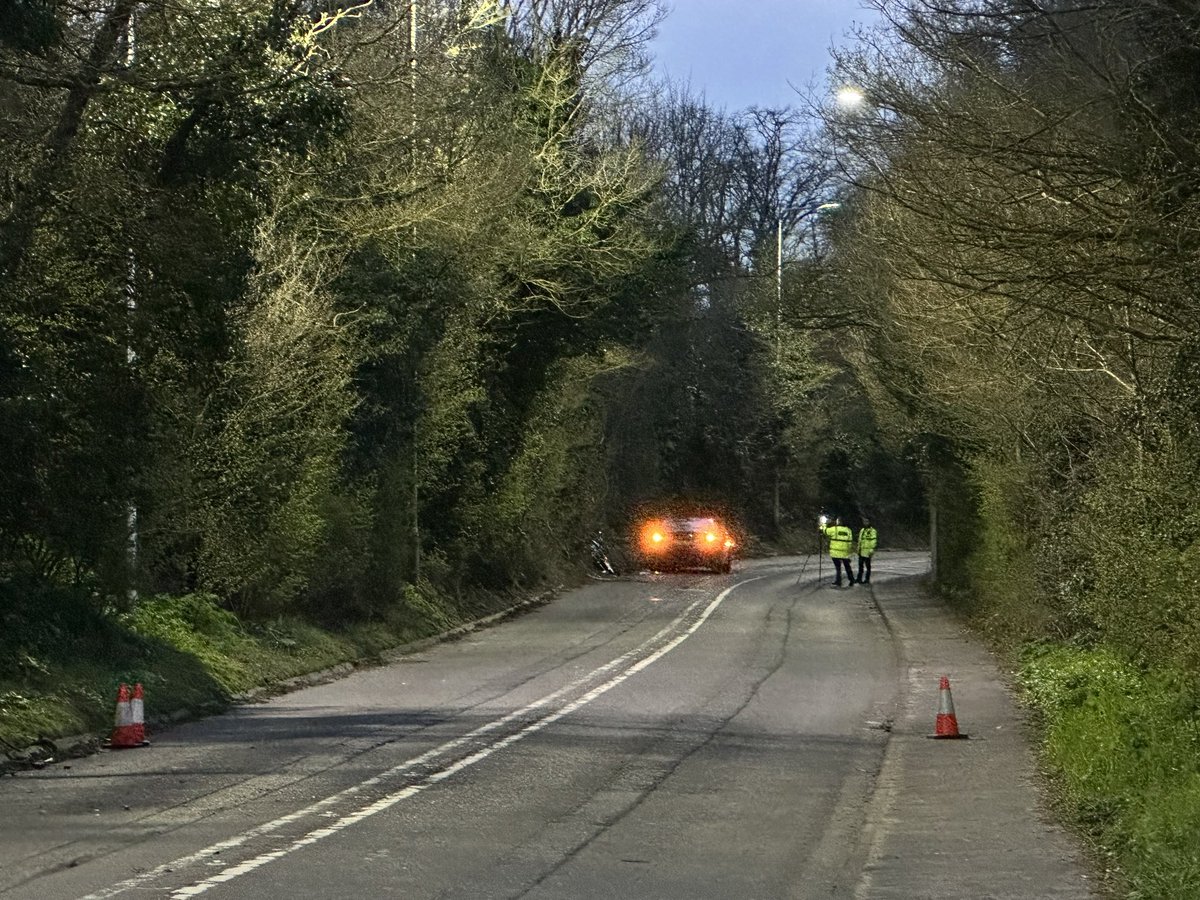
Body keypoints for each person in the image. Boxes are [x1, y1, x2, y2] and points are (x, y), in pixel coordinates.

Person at [819, 514, 855, 587]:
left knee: (838, 568)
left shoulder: (834, 529)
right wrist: (849, 551)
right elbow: (850, 542)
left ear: (838, 522)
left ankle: (838, 581)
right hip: (845, 553)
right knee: (847, 567)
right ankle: (851, 580)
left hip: (835, 553)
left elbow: (825, 531)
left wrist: (823, 524)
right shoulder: (848, 530)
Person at [856, 517, 878, 585]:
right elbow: (860, 541)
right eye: (864, 522)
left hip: (868, 552)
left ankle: (867, 579)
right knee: (860, 566)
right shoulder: (862, 530)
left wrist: (871, 550)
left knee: (868, 566)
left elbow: (874, 541)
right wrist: (858, 549)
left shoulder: (872, 531)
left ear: (870, 522)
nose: (865, 523)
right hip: (861, 551)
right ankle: (859, 578)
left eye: (867, 522)